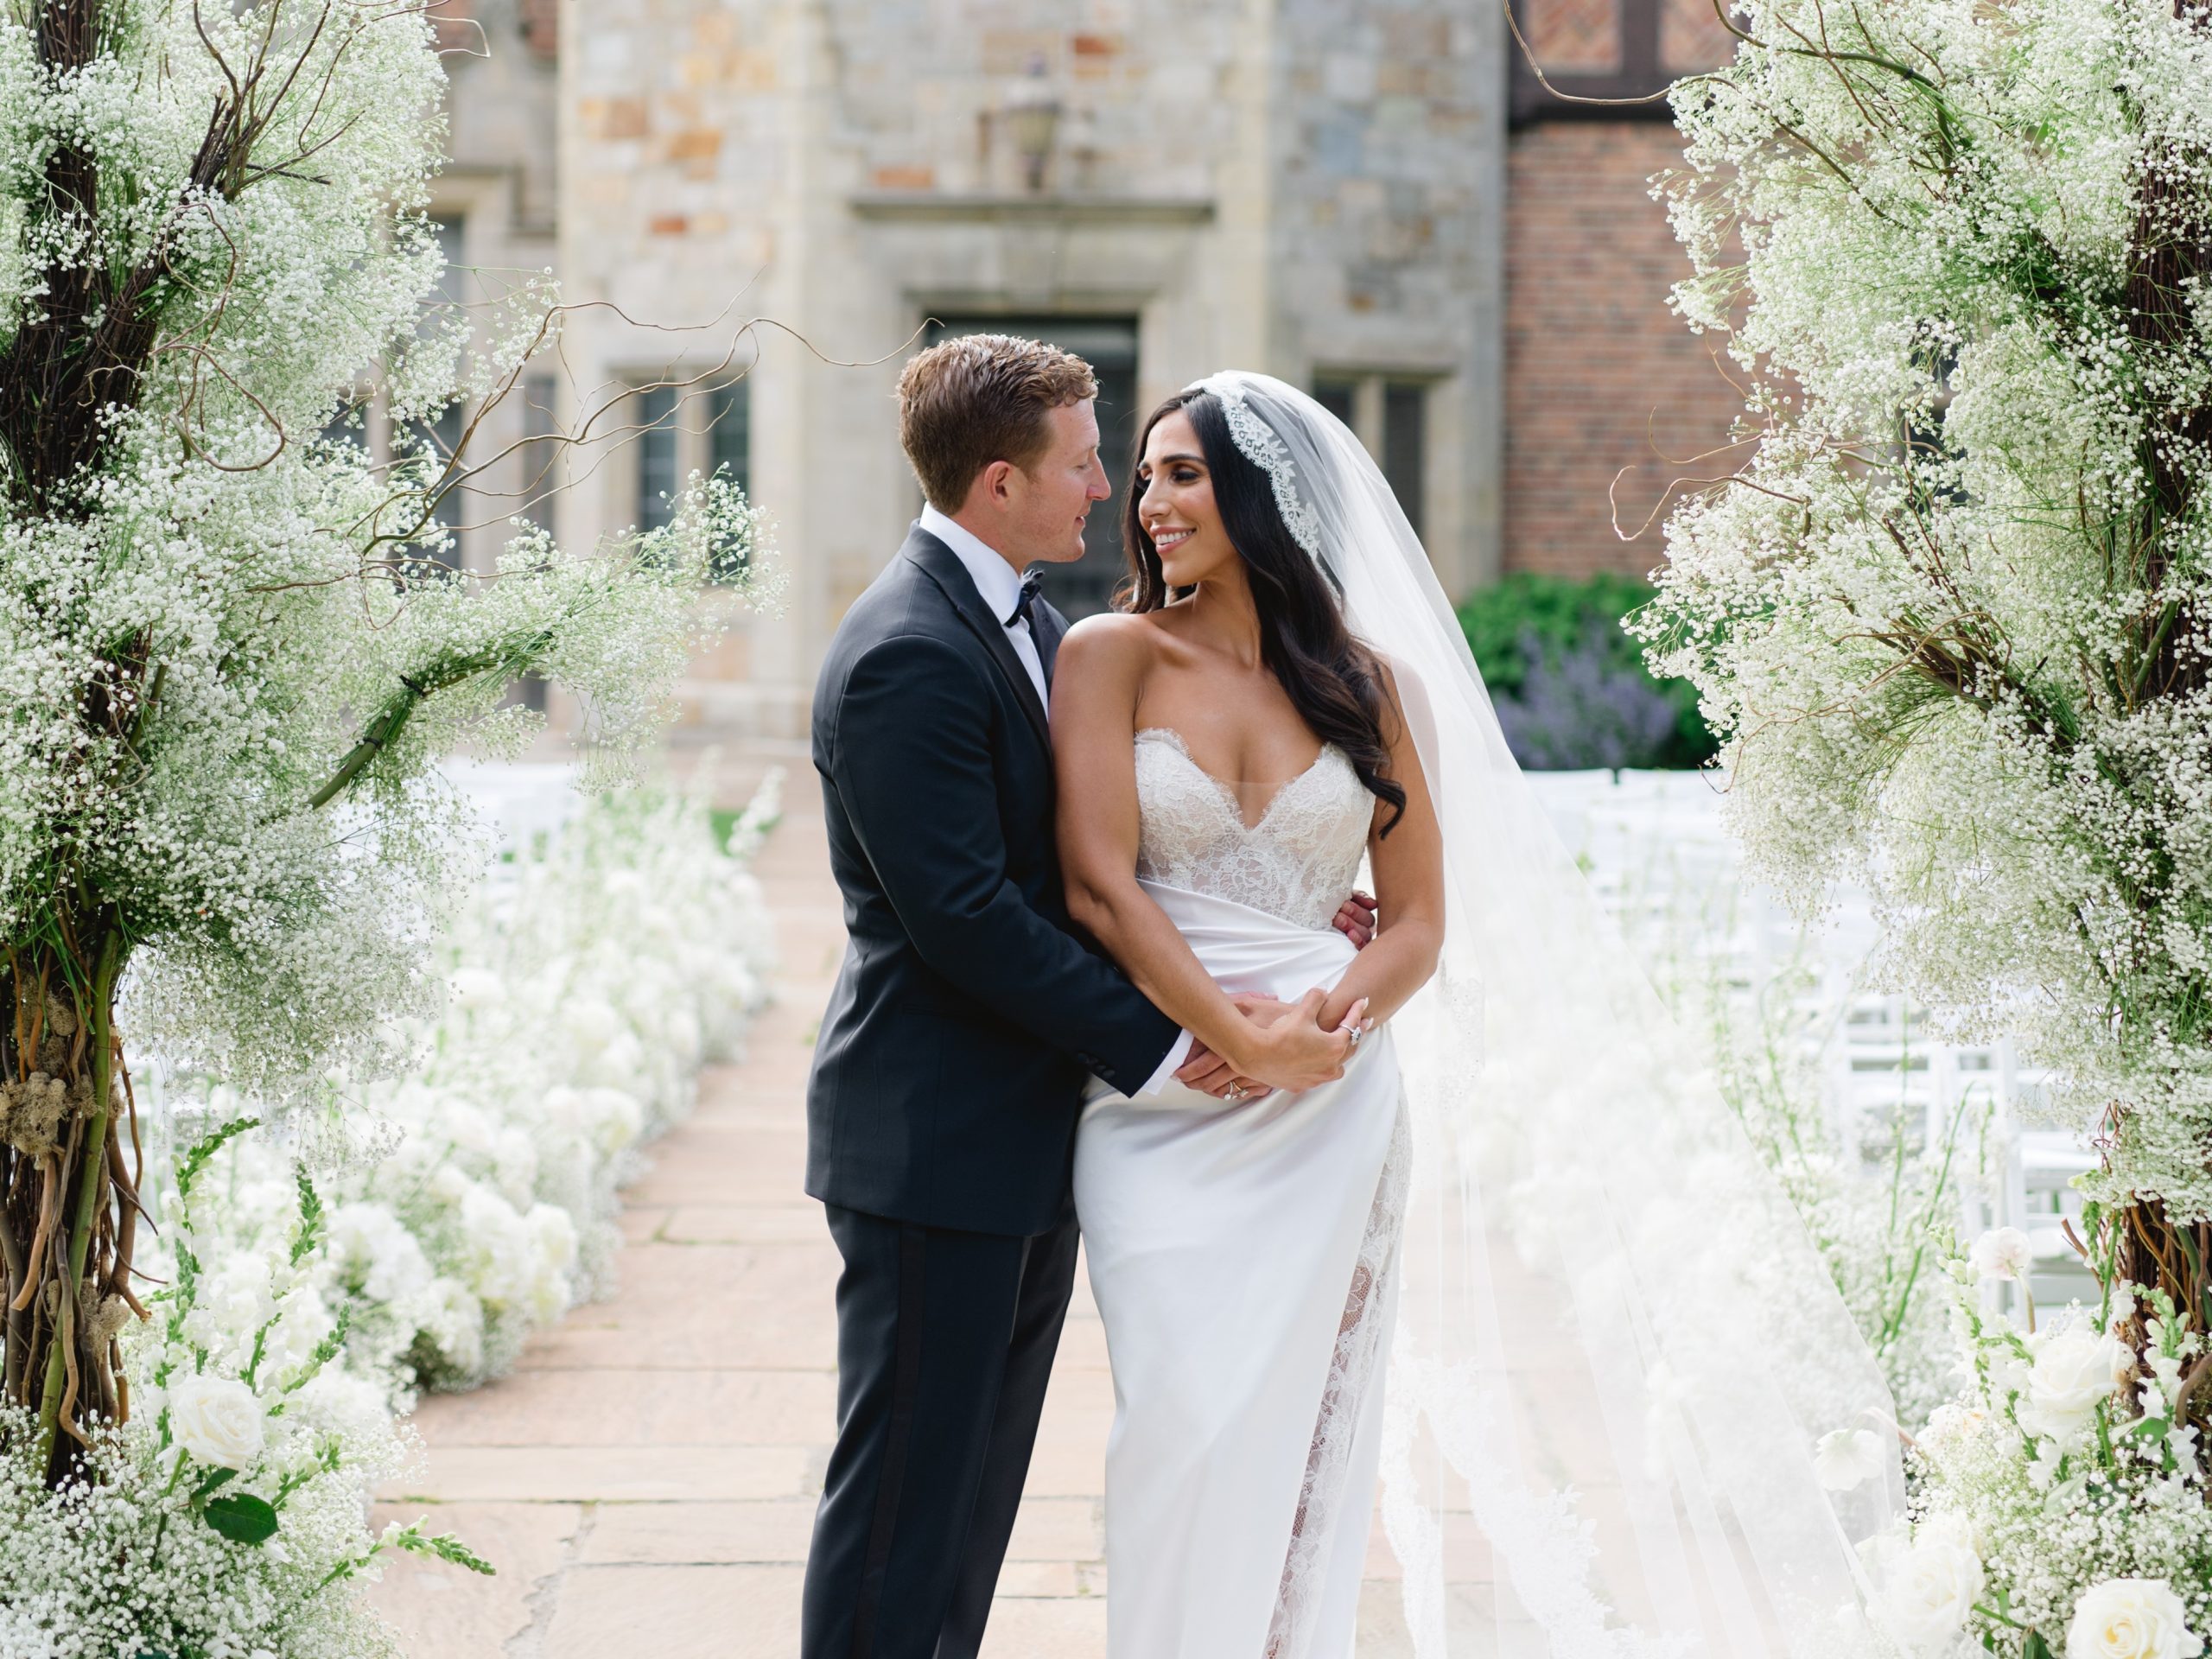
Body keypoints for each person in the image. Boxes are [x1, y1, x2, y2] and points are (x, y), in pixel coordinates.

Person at [1049, 373, 1907, 1658]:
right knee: (1177, 1419)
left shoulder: (1374, 687)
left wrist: (1310, 1035)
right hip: (1168, 1094)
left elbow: (1417, 924)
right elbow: (1101, 889)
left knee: (1303, 1442)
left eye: (1186, 473)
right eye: (1150, 472)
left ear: (1272, 500)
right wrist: (1236, 1039)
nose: (1149, 501)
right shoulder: (1108, 655)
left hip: (1329, 1104)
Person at [798, 336, 1373, 1659]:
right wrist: (1183, 1049)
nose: (1105, 487)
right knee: (899, 1516)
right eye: (1081, 461)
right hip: (933, 1144)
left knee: (965, 1516)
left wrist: (1279, 906)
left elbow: (1093, 857)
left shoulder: (1035, 626)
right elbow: (972, 922)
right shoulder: (905, 651)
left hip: (1024, 1138)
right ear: (1000, 482)